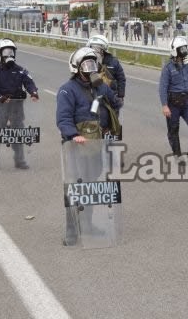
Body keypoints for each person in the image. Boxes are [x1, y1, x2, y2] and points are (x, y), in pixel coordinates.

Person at [56, 47, 122, 246]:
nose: (90, 69)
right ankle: (71, 231)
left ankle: (88, 224)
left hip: (96, 144)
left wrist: (109, 106)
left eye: (93, 64)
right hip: (76, 147)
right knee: (74, 188)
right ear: (76, 67)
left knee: (91, 186)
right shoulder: (67, 90)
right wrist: (73, 135)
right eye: (86, 64)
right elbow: (63, 119)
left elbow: (116, 103)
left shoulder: (100, 86)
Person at [0, 39, 39, 171]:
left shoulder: (21, 70)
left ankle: (19, 160)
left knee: (18, 131)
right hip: (2, 105)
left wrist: (33, 92)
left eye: (11, 51)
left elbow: (29, 82)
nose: (9, 54)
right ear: (0, 53)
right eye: (6, 52)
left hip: (17, 107)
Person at [158, 36, 188, 158]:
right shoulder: (168, 68)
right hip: (173, 103)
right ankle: (177, 154)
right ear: (174, 50)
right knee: (173, 129)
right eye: (181, 49)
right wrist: (164, 105)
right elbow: (163, 87)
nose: (184, 51)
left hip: (187, 102)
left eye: (185, 48)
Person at [86, 35, 126, 107]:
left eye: (98, 48)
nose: (95, 51)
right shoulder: (87, 62)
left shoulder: (113, 61)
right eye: (93, 48)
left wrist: (120, 96)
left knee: (112, 116)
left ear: (103, 50)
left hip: (111, 97)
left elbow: (121, 79)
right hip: (93, 97)